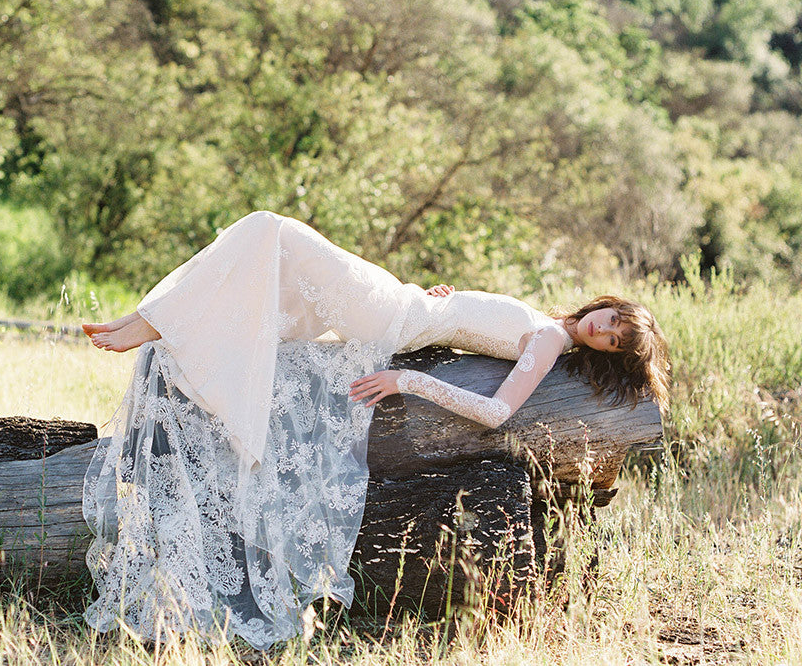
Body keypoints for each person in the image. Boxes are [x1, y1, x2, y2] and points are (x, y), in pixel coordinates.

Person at [79, 210, 670, 648]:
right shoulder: (548, 326)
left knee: (268, 231)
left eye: (613, 340)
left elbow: (496, 413)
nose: (602, 329)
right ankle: (155, 320)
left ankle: (151, 321)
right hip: (405, 303)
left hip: (390, 312)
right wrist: (449, 304)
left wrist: (406, 383)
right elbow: (470, 324)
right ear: (606, 303)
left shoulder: (548, 342)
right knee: (270, 251)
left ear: (606, 352)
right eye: (611, 319)